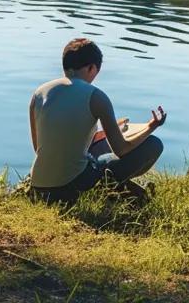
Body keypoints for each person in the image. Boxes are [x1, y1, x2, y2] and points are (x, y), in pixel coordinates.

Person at [27, 38, 166, 203]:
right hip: (70, 188)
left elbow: (39, 148)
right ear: (92, 68)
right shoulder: (96, 96)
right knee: (154, 144)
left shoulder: (39, 93)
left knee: (97, 150)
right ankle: (108, 190)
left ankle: (122, 191)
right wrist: (152, 125)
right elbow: (121, 149)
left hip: (38, 186)